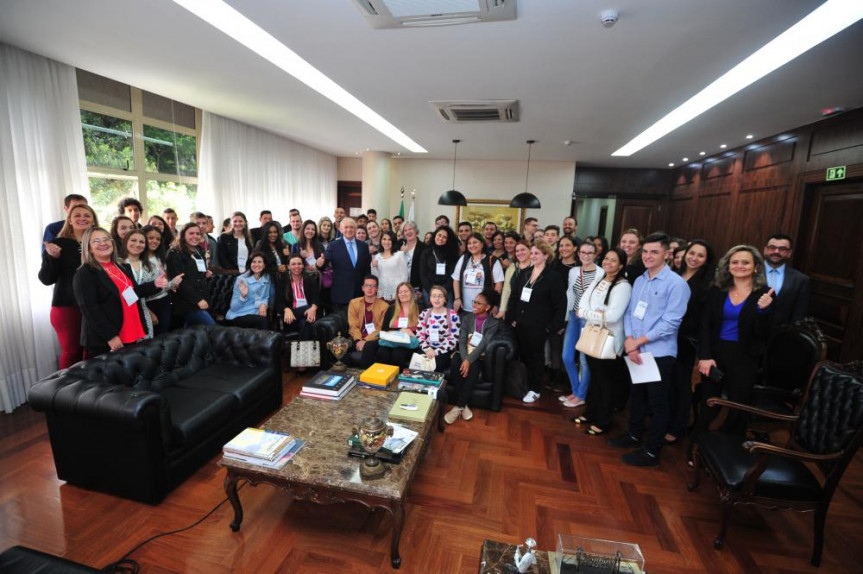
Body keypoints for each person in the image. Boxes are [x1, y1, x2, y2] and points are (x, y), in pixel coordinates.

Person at [609, 233, 690, 468]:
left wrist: (639, 341)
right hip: (636, 349)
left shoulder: (677, 284)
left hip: (659, 353)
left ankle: (652, 451)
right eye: (645, 251)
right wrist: (630, 339)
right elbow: (630, 312)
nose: (648, 256)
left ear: (667, 254)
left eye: (654, 252)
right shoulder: (641, 279)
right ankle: (634, 434)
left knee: (657, 403)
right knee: (637, 396)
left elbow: (671, 323)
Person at [695, 245, 774, 441]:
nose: (740, 266)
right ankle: (696, 449)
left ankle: (730, 452)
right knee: (709, 404)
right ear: (728, 266)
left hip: (745, 357)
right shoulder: (717, 290)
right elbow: (705, 325)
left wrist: (763, 312)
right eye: (735, 262)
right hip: (715, 354)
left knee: (738, 407)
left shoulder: (765, 294)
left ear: (755, 266)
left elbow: (764, 335)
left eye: (745, 262)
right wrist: (704, 355)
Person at [73, 227, 166, 358]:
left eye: (106, 239)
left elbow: (133, 293)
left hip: (132, 331)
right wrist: (110, 336)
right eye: (96, 241)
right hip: (108, 339)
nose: (103, 243)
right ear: (88, 248)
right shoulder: (85, 273)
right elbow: (89, 309)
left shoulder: (121, 266)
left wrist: (155, 284)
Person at [576, 248, 632, 436]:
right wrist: (594, 313)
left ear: (621, 264)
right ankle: (591, 412)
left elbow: (613, 316)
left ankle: (604, 421)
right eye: (606, 258)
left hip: (609, 340)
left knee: (606, 382)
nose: (608, 262)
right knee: (595, 379)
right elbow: (583, 301)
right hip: (593, 335)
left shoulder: (623, 286)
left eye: (613, 260)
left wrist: (588, 314)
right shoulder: (601, 278)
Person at [666, 239, 715, 446]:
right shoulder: (674, 276)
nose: (694, 258)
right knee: (666, 381)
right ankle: (665, 419)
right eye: (692, 253)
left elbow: (704, 320)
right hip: (665, 335)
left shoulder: (707, 285)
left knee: (681, 383)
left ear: (706, 260)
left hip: (686, 339)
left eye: (700, 255)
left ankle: (678, 426)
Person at [506, 241, 566, 404]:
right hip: (521, 324)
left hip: (539, 326)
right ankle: (524, 384)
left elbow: (560, 305)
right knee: (524, 356)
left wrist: (552, 326)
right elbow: (514, 297)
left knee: (536, 358)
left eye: (537, 253)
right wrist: (512, 318)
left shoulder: (553, 277)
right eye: (531, 253)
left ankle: (535, 389)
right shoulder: (525, 274)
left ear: (546, 256)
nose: (532, 256)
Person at [39, 204, 98, 368]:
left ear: (93, 220)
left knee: (91, 351)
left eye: (87, 215)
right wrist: (53, 258)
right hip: (67, 307)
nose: (82, 218)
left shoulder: (99, 243)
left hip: (95, 306)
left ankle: (89, 387)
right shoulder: (58, 244)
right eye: (77, 215)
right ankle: (65, 390)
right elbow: (46, 279)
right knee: (72, 352)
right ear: (70, 220)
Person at [444, 289, 500, 425]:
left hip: (478, 355)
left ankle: (458, 406)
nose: (474, 305)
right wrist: (465, 359)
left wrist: (469, 360)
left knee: (474, 369)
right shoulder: (467, 318)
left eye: (478, 303)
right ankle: (463, 406)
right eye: (474, 301)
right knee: (454, 364)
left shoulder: (493, 323)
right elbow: (461, 340)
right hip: (463, 352)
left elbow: (483, 344)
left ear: (487, 307)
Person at [561, 240, 601, 408]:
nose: (586, 256)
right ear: (578, 254)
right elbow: (570, 294)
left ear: (595, 255)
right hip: (573, 316)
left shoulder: (601, 273)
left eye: (589, 253)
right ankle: (576, 391)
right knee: (567, 356)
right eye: (583, 252)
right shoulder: (573, 272)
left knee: (584, 360)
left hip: (589, 320)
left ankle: (580, 395)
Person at [122, 229, 181, 338]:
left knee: (152, 342)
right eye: (133, 240)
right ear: (126, 241)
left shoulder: (149, 264)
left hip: (144, 308)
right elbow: (126, 293)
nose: (137, 244)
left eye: (141, 242)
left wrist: (167, 284)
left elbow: (144, 290)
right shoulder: (119, 264)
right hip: (127, 312)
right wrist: (149, 311)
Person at [317, 217, 371, 311]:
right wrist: (319, 264)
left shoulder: (363, 246)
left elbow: (367, 270)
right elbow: (324, 263)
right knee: (340, 324)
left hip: (359, 294)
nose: (349, 229)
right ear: (341, 229)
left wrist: (367, 287)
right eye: (346, 227)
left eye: (351, 227)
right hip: (340, 295)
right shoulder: (333, 245)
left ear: (355, 229)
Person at [167, 223, 215, 326]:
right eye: (191, 233)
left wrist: (205, 272)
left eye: (198, 234)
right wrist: (198, 300)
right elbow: (180, 282)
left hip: (202, 297)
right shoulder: (174, 253)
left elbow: (197, 272)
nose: (195, 236)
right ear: (183, 234)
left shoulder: (199, 250)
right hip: (187, 302)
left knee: (195, 333)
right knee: (211, 328)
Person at [763, 233, 809, 335]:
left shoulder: (801, 280)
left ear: (789, 253)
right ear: (765, 250)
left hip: (781, 337)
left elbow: (799, 315)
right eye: (772, 247)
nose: (776, 252)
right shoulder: (750, 273)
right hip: (749, 334)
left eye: (782, 249)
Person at [452, 233, 504, 314]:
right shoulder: (464, 258)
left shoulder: (492, 260)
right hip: (465, 307)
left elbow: (499, 284)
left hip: (484, 309)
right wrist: (457, 298)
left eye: (475, 242)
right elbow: (456, 279)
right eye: (469, 243)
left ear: (482, 244)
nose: (472, 245)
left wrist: (493, 303)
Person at [375, 282, 421, 369]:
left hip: (409, 343)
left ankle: (396, 379)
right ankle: (382, 377)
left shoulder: (419, 308)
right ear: (397, 295)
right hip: (392, 341)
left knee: (398, 354)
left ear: (411, 293)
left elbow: (423, 331)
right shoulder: (391, 309)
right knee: (382, 352)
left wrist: (412, 333)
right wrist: (400, 330)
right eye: (400, 292)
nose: (403, 294)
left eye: (406, 291)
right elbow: (384, 329)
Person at [416, 285, 460, 372]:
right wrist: (427, 349)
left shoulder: (452, 315)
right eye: (434, 296)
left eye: (440, 296)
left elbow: (453, 339)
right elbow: (420, 335)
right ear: (430, 298)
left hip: (443, 350)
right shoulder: (424, 313)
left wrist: (436, 352)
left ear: (445, 299)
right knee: (418, 366)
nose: (437, 299)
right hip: (426, 348)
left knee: (435, 366)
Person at [347, 275, 389, 368]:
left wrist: (365, 340)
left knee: (369, 347)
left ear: (377, 289)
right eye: (367, 285)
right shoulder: (354, 303)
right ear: (362, 288)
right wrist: (359, 339)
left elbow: (380, 328)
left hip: (374, 338)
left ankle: (364, 375)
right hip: (357, 337)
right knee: (343, 346)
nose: (369, 288)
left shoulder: (384, 306)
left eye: (373, 286)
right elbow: (353, 325)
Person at [277, 254, 320, 344]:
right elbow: (278, 302)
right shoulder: (282, 280)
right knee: (307, 310)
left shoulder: (310, 278)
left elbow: (316, 298)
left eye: (299, 264)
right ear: (288, 266)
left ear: (303, 265)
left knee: (305, 323)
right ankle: (307, 354)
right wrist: (286, 309)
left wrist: (313, 308)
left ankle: (304, 354)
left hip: (309, 315)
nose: (296, 266)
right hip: (291, 317)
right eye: (293, 264)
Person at [225, 252, 273, 330]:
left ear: (264, 265)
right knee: (263, 321)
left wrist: (263, 304)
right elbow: (233, 307)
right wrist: (243, 296)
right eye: (254, 262)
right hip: (238, 315)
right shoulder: (241, 280)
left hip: (255, 314)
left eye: (260, 262)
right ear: (250, 264)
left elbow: (266, 297)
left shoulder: (267, 278)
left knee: (269, 320)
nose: (256, 264)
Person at [141, 224, 173, 336]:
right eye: (151, 238)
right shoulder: (137, 260)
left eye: (158, 239)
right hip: (148, 305)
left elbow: (165, 280)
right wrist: (148, 312)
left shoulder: (160, 257)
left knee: (163, 336)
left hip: (164, 301)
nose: (155, 241)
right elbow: (135, 291)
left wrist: (172, 284)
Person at [419, 225, 459, 306]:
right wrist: (432, 290)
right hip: (429, 290)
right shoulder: (426, 252)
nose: (441, 238)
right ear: (435, 236)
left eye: (444, 237)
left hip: (446, 290)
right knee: (430, 316)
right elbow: (422, 274)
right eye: (439, 235)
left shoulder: (452, 254)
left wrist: (442, 291)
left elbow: (452, 275)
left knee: (447, 316)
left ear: (448, 240)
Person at [497, 239, 531, 319]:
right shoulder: (512, 267)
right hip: (513, 307)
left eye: (523, 250)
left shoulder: (536, 267)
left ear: (530, 250)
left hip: (530, 309)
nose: (520, 253)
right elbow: (506, 290)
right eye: (517, 251)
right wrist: (502, 310)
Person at [371, 231, 408, 302]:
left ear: (393, 241)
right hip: (382, 294)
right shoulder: (377, 256)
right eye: (384, 239)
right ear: (381, 240)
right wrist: (374, 266)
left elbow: (405, 275)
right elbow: (375, 276)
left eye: (389, 239)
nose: (386, 242)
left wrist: (402, 291)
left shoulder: (399, 255)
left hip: (397, 294)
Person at [399, 221, 427, 296]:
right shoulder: (399, 246)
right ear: (403, 233)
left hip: (417, 288)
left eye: (410, 229)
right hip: (401, 287)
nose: (408, 232)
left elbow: (426, 271)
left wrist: (421, 288)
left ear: (415, 230)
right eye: (405, 230)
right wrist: (400, 252)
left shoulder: (424, 248)